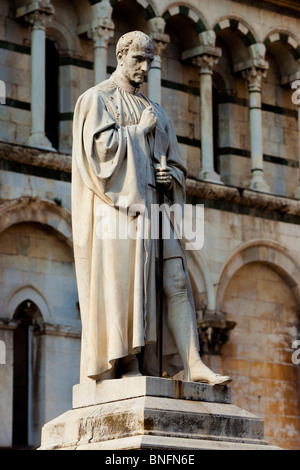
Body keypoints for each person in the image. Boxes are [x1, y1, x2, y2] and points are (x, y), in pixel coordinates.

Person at [72, 31, 232, 386]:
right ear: (120, 56)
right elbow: (98, 157)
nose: (145, 68)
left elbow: (177, 166)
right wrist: (137, 134)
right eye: (138, 60)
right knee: (125, 285)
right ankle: (127, 361)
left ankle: (193, 363)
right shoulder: (96, 99)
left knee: (176, 280)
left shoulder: (157, 112)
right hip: (119, 210)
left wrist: (169, 176)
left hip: (159, 211)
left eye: (149, 61)